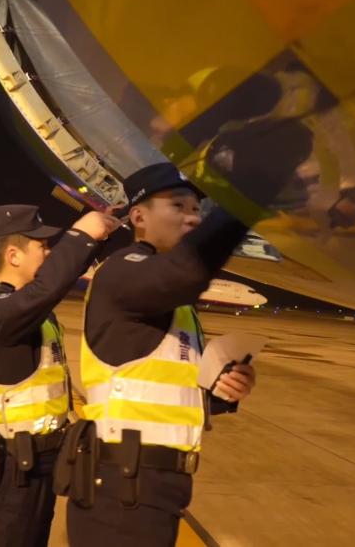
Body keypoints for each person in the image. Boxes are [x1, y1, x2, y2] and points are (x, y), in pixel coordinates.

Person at [64, 162, 277, 546]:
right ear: (138, 217)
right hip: (122, 487)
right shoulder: (122, 272)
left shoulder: (176, 306)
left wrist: (221, 390)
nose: (193, 217)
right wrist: (254, 188)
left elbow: (159, 390)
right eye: (178, 206)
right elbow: (185, 274)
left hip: (154, 486)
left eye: (197, 209)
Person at [0, 203, 120, 547]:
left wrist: (98, 237)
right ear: (13, 256)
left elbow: (56, 280)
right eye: (42, 246)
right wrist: (80, 236)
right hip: (10, 472)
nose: (49, 252)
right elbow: (48, 288)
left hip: (35, 465)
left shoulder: (16, 303)